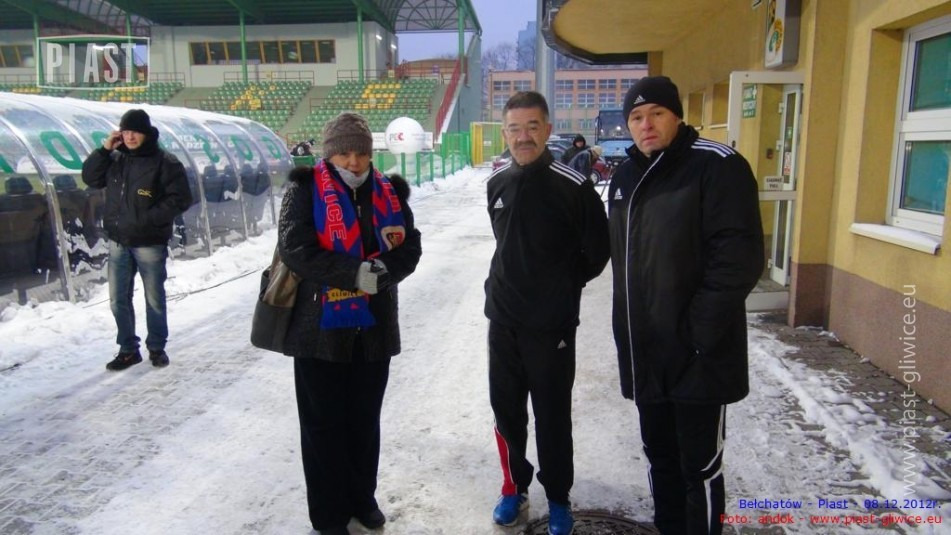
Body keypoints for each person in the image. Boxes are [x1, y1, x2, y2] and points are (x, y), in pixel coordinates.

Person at [607, 76, 764, 535]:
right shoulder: (625, 176)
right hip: (646, 353)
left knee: (700, 466)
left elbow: (738, 261)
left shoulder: (717, 166)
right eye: (636, 117)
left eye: (656, 113)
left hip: (698, 356)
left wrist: (696, 335)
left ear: (677, 116)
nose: (646, 124)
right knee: (660, 458)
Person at [277, 112, 422, 535]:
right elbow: (295, 248)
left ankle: (363, 498)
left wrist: (384, 272)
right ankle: (328, 515)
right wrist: (353, 274)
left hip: (373, 329)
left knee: (364, 421)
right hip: (319, 329)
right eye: (344, 154)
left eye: (361, 153)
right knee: (322, 426)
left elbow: (410, 246)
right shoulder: (304, 188)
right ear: (329, 154)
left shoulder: (389, 192)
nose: (354, 162)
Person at [484, 91, 610, 534]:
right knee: (506, 411)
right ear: (505, 133)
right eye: (514, 129)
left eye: (532, 127)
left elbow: (598, 251)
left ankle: (558, 497)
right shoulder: (496, 183)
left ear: (548, 130)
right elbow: (504, 242)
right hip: (503, 320)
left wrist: (561, 287)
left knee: (552, 415)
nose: (523, 137)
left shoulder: (572, 186)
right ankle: (513, 488)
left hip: (551, 325)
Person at [81, 109, 192, 371]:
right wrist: (104, 150)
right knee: (118, 299)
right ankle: (128, 350)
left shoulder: (165, 162)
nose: (130, 137)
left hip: (149, 242)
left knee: (154, 298)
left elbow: (181, 198)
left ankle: (157, 347)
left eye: (135, 132)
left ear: (146, 133)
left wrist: (148, 219)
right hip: (119, 241)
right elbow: (90, 178)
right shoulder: (115, 159)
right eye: (126, 132)